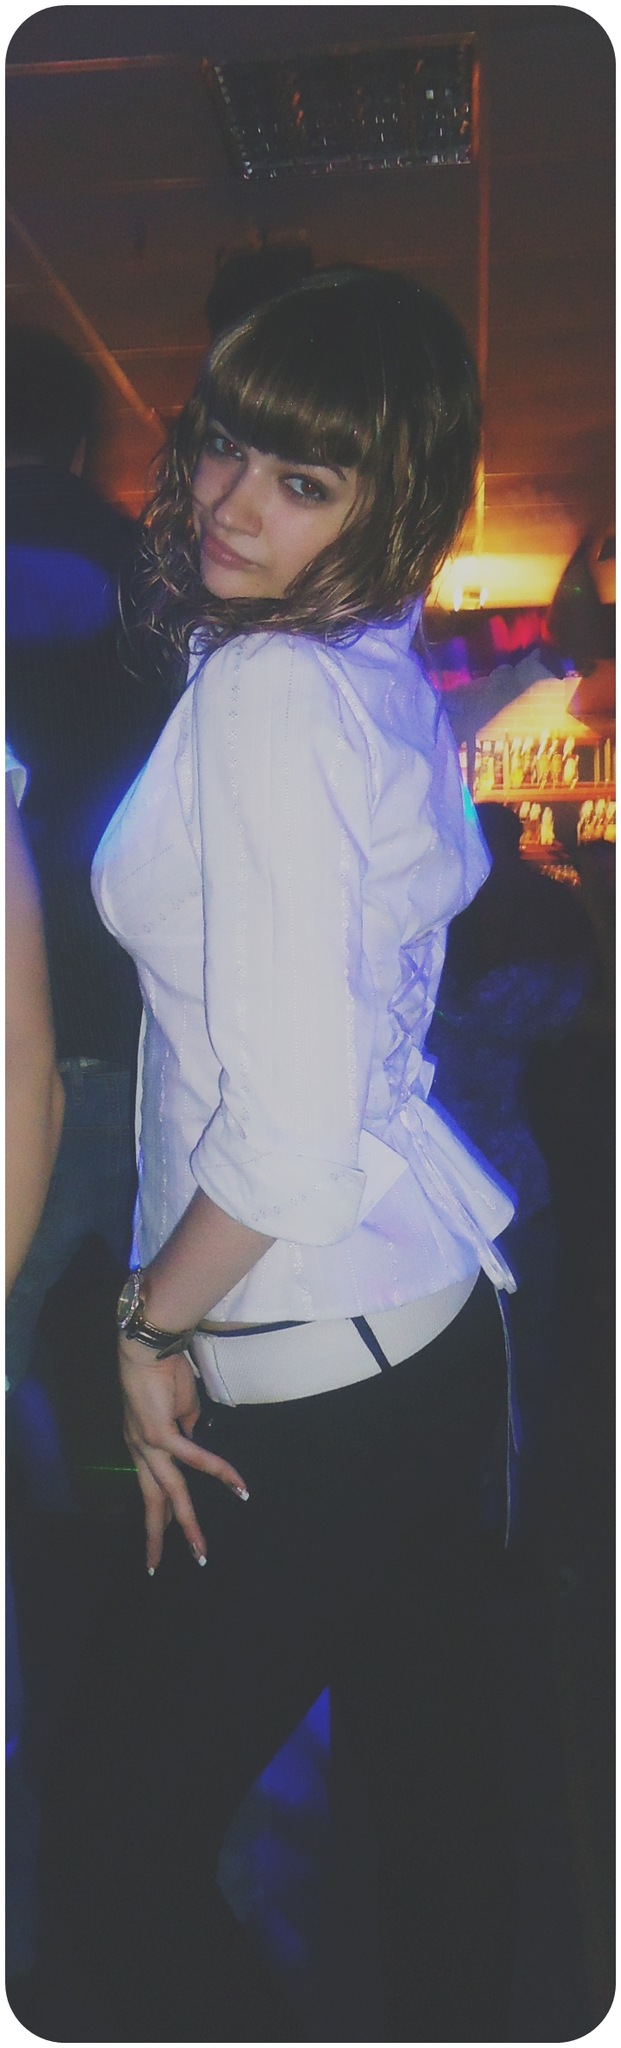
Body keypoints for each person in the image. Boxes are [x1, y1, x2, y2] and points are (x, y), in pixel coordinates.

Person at [34, 270, 518, 2044]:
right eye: (228, 443)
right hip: (423, 1335)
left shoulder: (272, 691)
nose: (232, 499)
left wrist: (147, 1327)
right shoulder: (366, 659)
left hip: (317, 1356)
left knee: (107, 1859)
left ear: (384, 506)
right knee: (441, 1822)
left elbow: (293, 1132)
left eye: (301, 480)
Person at [5, 326, 169, 1424]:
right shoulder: (156, 574)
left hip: (14, 1035)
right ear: (77, 443)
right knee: (179, 1331)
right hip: (143, 1020)